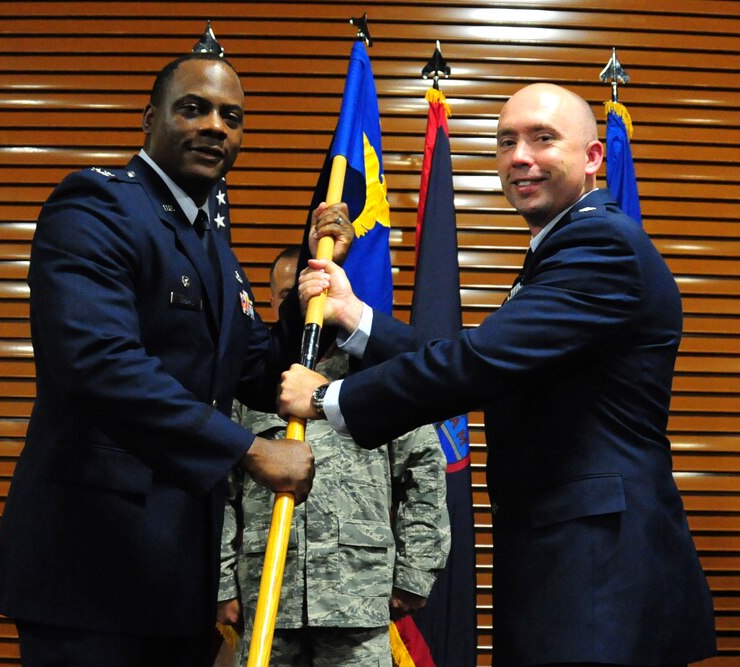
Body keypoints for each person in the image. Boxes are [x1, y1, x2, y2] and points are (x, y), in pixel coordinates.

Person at [279, 83, 717, 666]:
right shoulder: (561, 247)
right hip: (569, 565)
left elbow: (479, 363)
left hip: (596, 577)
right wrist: (354, 314)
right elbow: (490, 358)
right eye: (506, 141)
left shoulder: (599, 243)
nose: (520, 157)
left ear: (592, 158)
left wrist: (331, 397)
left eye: (543, 139)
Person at [0, 46, 354, 666]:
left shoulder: (208, 237)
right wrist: (249, 449)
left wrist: (308, 292)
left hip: (176, 576)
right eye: (194, 109)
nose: (215, 126)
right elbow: (100, 365)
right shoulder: (95, 207)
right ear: (150, 118)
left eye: (232, 117)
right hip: (90, 573)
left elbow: (252, 369)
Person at [215, 247, 450, 666]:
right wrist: (222, 584)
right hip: (268, 594)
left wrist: (414, 574)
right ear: (274, 302)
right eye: (293, 296)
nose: (311, 306)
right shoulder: (249, 383)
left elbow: (424, 476)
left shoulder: (379, 374)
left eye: (318, 292)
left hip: (358, 596)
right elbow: (220, 486)